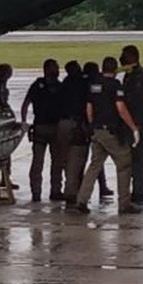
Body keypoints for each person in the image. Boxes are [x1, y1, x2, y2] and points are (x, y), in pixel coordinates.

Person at [71, 56, 143, 215]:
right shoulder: (115, 85)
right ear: (115, 69)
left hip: (97, 130)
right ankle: (124, 204)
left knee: (94, 166)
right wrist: (133, 128)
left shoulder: (94, 84)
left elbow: (89, 108)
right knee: (124, 163)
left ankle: (81, 201)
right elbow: (121, 108)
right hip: (110, 131)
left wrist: (92, 126)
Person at [21, 58, 65, 202]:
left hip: (40, 127)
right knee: (56, 162)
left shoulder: (37, 85)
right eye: (55, 68)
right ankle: (55, 190)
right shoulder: (60, 87)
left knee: (38, 163)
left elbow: (25, 104)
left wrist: (24, 122)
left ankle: (36, 192)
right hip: (53, 128)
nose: (57, 70)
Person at [120, 44, 143, 205]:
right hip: (131, 121)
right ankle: (135, 187)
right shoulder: (129, 74)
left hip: (140, 120)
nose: (122, 58)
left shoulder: (140, 75)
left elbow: (138, 101)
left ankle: (139, 189)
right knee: (131, 156)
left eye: (125, 55)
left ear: (133, 56)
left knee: (139, 156)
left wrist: (137, 125)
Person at [58, 60, 90, 208]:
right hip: (77, 124)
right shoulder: (84, 83)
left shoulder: (64, 84)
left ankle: (69, 188)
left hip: (62, 123)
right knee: (77, 160)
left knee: (65, 158)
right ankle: (72, 192)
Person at [82, 61, 114, 200]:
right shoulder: (97, 85)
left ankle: (82, 193)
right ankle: (101, 187)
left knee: (92, 161)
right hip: (95, 126)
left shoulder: (86, 85)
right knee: (97, 161)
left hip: (88, 125)